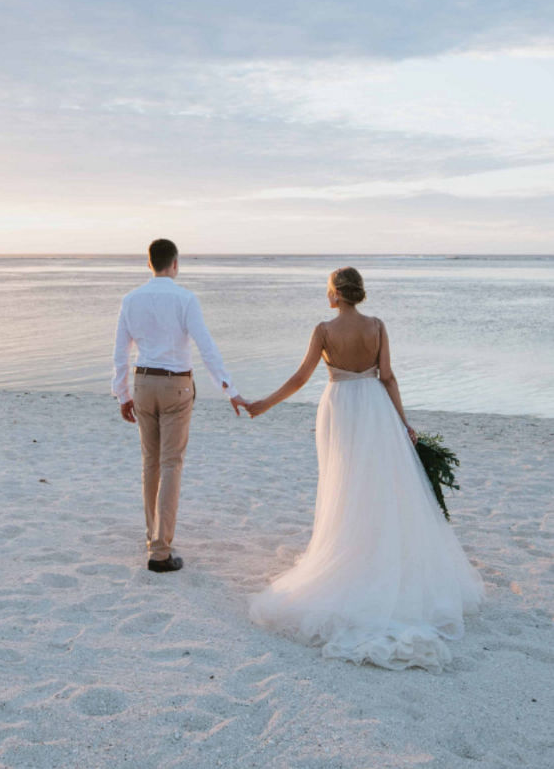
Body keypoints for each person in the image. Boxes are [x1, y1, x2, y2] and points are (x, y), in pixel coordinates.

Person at [244, 266, 483, 669]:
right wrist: (404, 423)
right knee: (380, 484)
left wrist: (263, 404)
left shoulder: (323, 330)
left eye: (328, 290)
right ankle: (376, 554)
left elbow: (302, 377)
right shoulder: (377, 326)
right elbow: (387, 377)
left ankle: (350, 554)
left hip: (340, 408)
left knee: (345, 485)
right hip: (375, 408)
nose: (327, 296)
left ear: (336, 294)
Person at [113, 239, 249, 572]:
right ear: (175, 264)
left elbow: (119, 352)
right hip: (176, 385)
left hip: (143, 383)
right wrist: (229, 389)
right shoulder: (185, 299)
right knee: (171, 463)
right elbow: (206, 346)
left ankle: (152, 537)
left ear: (149, 264)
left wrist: (122, 393)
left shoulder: (130, 300)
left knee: (151, 462)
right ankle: (160, 550)